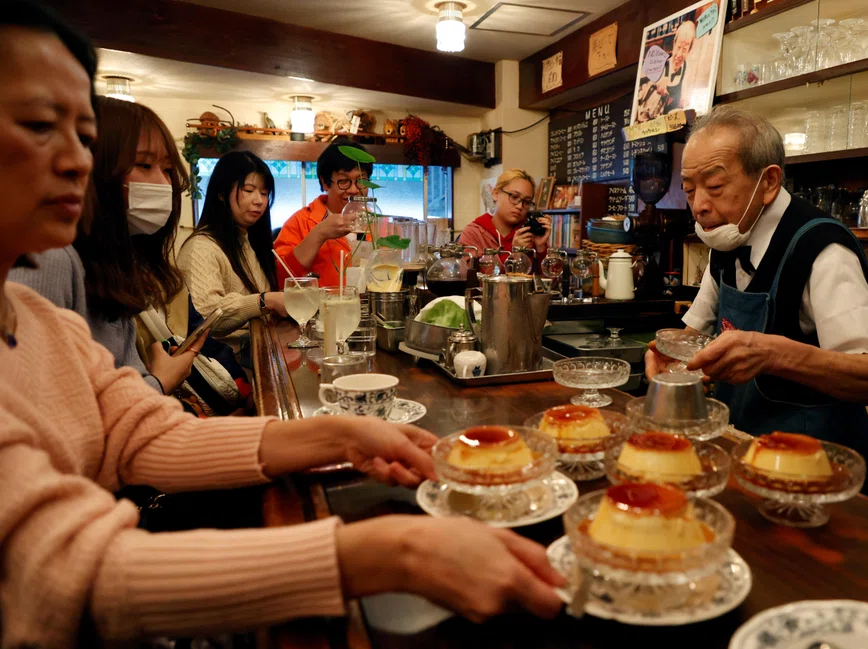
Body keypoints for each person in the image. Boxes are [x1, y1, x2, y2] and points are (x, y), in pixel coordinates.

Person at [0, 6, 565, 646]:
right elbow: (51, 572)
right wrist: (388, 555)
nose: (76, 161)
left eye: (83, 133)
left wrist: (340, 436)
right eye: (42, 125)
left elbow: (137, 430)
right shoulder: (51, 269)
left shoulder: (41, 315)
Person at [645, 106, 868, 476]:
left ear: (768, 182)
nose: (699, 206)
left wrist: (773, 354)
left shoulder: (821, 248)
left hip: (817, 475)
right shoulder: (729, 236)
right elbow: (693, 334)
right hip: (745, 456)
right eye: (689, 190)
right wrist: (668, 354)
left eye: (715, 187)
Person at [9, 97, 199, 397]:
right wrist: (159, 382)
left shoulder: (113, 261)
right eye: (144, 164)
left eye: (167, 169)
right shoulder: (47, 258)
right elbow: (37, 402)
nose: (164, 184)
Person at [178, 151, 288, 350]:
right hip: (229, 365)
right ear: (221, 194)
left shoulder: (249, 242)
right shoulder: (201, 248)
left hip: (258, 353)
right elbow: (208, 318)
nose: (259, 201)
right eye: (248, 190)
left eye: (264, 193)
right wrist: (265, 301)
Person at [273, 139, 368, 286]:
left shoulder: (377, 223)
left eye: (361, 180)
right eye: (344, 181)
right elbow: (280, 277)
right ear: (325, 182)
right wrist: (319, 233)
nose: (354, 190)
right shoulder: (300, 222)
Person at [459, 168, 552, 261]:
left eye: (527, 202)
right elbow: (473, 273)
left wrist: (541, 248)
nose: (520, 206)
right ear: (496, 194)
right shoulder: (474, 233)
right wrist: (513, 252)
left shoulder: (529, 233)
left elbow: (549, 274)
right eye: (514, 197)